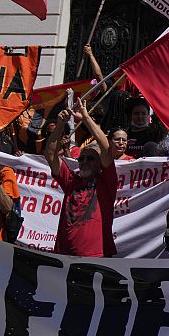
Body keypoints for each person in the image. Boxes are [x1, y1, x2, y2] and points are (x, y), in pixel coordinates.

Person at [45, 100, 118, 257]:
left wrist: (85, 118)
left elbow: (105, 147)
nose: (84, 162)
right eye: (81, 159)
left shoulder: (105, 182)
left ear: (100, 164)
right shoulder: (71, 180)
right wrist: (59, 125)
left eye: (90, 159)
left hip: (96, 256)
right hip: (63, 255)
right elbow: (50, 155)